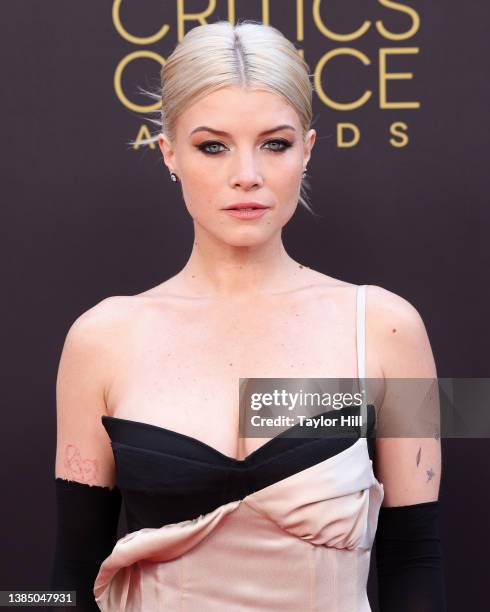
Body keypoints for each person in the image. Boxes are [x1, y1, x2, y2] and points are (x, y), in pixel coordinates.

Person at [50, 19, 446, 611]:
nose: (247, 176)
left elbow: (416, 561)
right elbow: (70, 578)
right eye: (213, 145)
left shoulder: (388, 329)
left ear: (306, 151)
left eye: (275, 143)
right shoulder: (101, 339)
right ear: (170, 154)